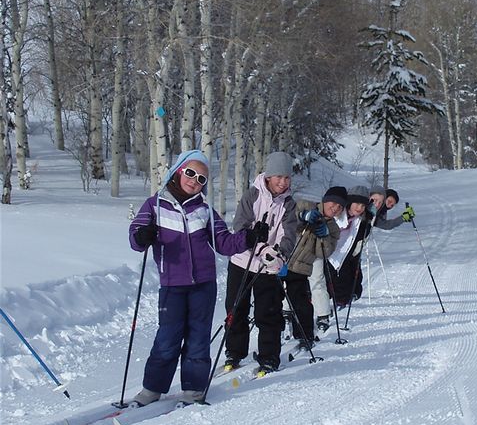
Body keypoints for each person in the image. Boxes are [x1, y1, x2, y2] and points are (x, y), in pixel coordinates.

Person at [128, 150, 267, 407]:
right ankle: (152, 390)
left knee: (198, 337)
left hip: (204, 285)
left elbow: (224, 242)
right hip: (172, 284)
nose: (194, 181)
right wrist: (142, 236)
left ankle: (193, 390)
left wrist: (248, 237)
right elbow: (136, 234)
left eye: (202, 179)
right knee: (168, 338)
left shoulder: (205, 210)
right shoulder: (155, 205)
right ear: (178, 172)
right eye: (190, 173)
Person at [224, 152, 298, 375]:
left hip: (269, 266)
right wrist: (262, 250)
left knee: (268, 312)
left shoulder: (289, 204)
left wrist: (279, 255)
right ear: (268, 177)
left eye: (287, 178)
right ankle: (234, 352)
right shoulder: (252, 195)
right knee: (236, 308)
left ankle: (269, 357)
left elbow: (289, 234)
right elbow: (241, 227)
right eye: (278, 177)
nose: (282, 182)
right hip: (242, 261)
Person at [283, 186, 345, 346]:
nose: (335, 208)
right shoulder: (305, 205)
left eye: (340, 207)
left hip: (302, 268)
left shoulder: (333, 229)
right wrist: (302, 216)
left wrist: (323, 236)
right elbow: (285, 220)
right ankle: (279, 327)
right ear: (325, 200)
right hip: (282, 258)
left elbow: (323, 253)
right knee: (275, 297)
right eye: (333, 203)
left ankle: (305, 335)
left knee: (301, 302)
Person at [326, 185, 372, 307]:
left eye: (363, 206)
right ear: (350, 202)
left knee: (344, 282)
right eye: (357, 204)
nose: (359, 208)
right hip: (327, 254)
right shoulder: (338, 213)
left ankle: (339, 302)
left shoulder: (359, 221)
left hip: (343, 255)